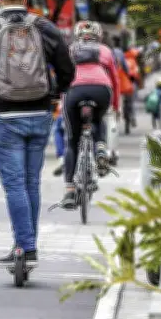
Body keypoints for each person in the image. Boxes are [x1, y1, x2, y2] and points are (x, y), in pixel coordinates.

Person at [0, 0, 75, 268]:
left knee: (14, 185)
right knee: (31, 182)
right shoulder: (45, 27)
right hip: (40, 112)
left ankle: (25, 247)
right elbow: (67, 67)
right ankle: (27, 245)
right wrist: (56, 92)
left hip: (4, 115)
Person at [58, 21, 120, 209]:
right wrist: (116, 106)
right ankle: (100, 148)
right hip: (101, 90)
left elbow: (62, 76)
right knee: (99, 119)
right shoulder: (105, 51)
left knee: (72, 140)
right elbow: (115, 80)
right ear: (98, 36)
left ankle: (69, 191)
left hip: (74, 91)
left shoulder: (70, 50)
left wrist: (62, 100)